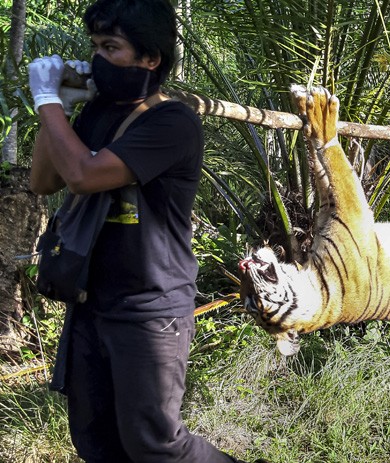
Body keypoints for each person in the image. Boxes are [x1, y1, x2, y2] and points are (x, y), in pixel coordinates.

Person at [27, 1, 258, 461]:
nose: (97, 58)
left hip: (149, 310)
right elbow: (43, 181)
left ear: (150, 58)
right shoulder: (97, 113)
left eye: (111, 47)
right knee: (96, 439)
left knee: (157, 446)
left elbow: (84, 175)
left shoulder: (171, 123)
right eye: (95, 46)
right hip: (91, 301)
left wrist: (47, 99)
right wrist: (59, 111)